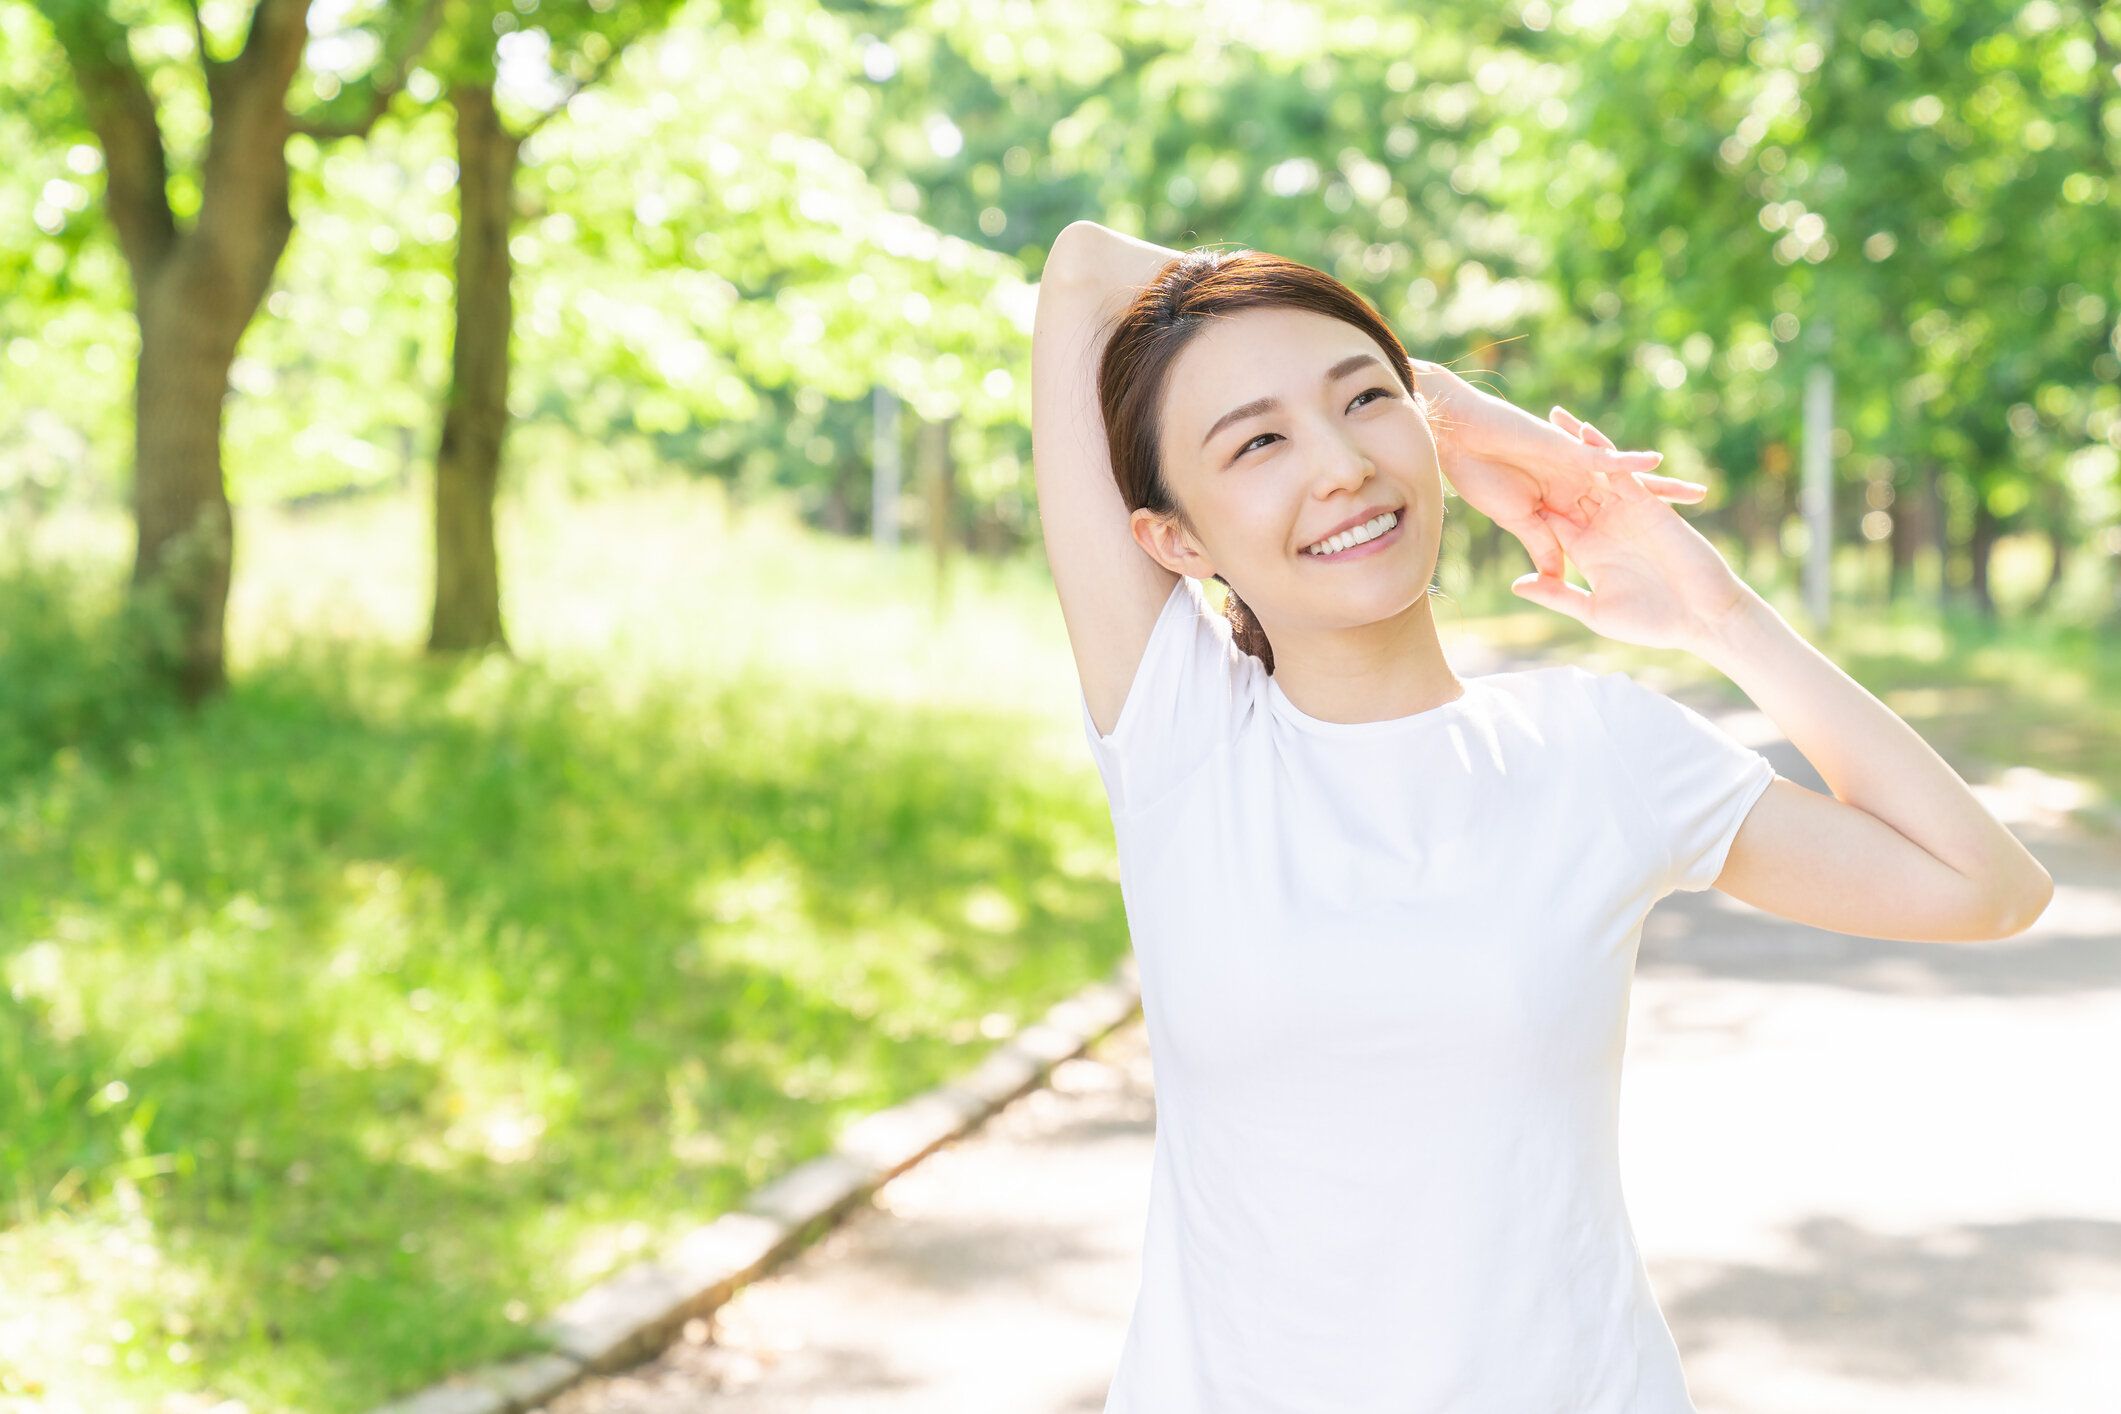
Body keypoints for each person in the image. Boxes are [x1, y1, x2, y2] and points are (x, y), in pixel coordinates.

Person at [1029, 219, 2054, 1413]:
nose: (1341, 465)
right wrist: (1457, 408)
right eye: (1259, 439)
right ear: (1174, 538)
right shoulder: (1183, 740)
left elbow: (1985, 886)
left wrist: (1714, 612)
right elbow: (1083, 271)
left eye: (1365, 405)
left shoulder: (1596, 751)